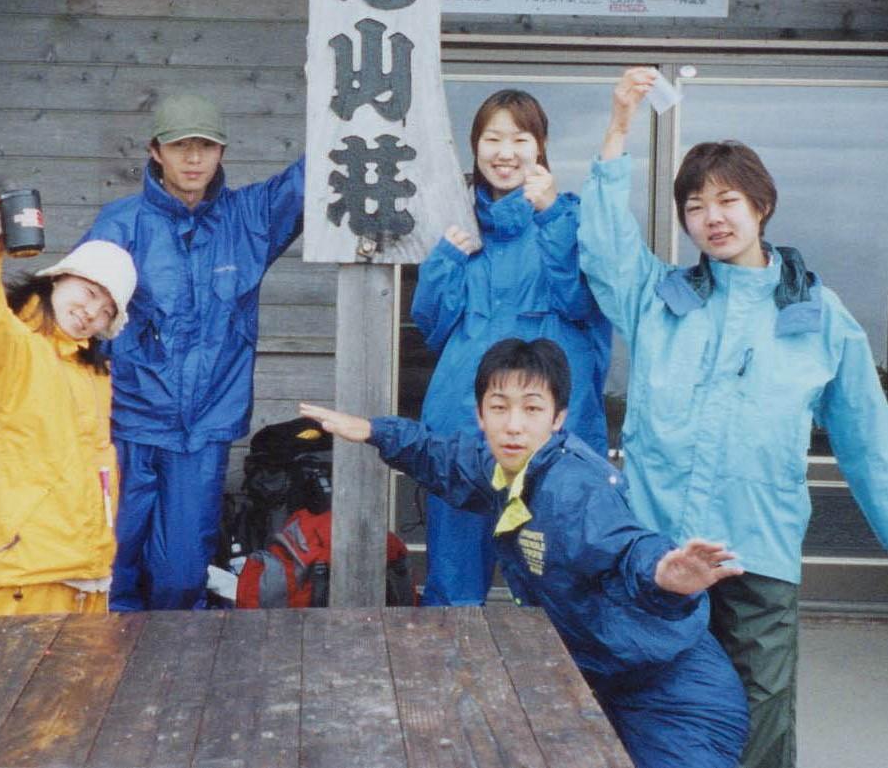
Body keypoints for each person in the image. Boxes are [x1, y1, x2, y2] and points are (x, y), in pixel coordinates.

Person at [577, 66, 888, 768]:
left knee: (758, 721)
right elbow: (601, 247)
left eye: (727, 199)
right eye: (694, 205)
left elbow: (869, 446)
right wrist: (619, 123)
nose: (711, 216)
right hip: (657, 554)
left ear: (761, 205)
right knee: (652, 708)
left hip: (757, 553)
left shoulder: (817, 317)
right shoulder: (659, 299)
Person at [300, 337, 749, 768]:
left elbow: (625, 546)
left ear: (558, 418)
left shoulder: (572, 488)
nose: (514, 425)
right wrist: (374, 431)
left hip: (671, 695)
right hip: (593, 677)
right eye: (499, 408)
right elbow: (437, 455)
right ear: (480, 414)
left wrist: (663, 576)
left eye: (532, 408)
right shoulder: (501, 464)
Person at [80, 92, 305, 610]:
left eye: (207, 145)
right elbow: (74, 321)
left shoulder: (249, 218)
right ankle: (109, 678)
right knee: (110, 567)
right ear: (156, 151)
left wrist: (348, 102)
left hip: (202, 433)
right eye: (181, 146)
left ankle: (173, 678)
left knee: (181, 575)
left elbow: (311, 177)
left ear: (222, 152)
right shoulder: (120, 225)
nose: (194, 158)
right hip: (125, 425)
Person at [410, 88, 611, 606]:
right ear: (475, 148)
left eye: (519, 139)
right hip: (466, 421)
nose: (505, 152)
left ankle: (559, 685)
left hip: (547, 427)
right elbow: (432, 327)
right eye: (492, 138)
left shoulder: (569, 216)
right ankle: (451, 681)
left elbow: (583, 302)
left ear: (539, 147)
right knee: (454, 580)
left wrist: (551, 218)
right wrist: (445, 263)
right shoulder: (457, 223)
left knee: (557, 577)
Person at [0, 196, 137, 616]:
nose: (91, 313)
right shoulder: (15, 348)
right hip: (25, 579)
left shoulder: (94, 375)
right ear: (58, 279)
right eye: (88, 293)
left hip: (89, 576)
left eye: (106, 311)